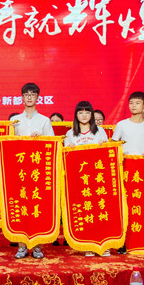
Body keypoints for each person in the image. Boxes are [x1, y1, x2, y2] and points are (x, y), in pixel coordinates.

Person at [11, 82, 54, 260]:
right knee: (22, 206)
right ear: (22, 97)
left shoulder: (44, 120)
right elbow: (9, 144)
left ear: (38, 97)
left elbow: (52, 145)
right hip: (20, 170)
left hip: (38, 170)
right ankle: (21, 246)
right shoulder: (15, 121)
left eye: (32, 94)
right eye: (26, 94)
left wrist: (40, 138)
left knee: (38, 206)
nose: (29, 97)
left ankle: (37, 246)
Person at [64, 100, 110, 256]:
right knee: (85, 212)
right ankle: (88, 244)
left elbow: (108, 154)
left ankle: (103, 244)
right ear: (76, 115)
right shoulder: (70, 134)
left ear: (91, 114)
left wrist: (104, 146)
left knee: (100, 211)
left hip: (97, 178)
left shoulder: (100, 131)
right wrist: (68, 150)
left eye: (87, 112)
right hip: (80, 179)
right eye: (80, 112)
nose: (84, 115)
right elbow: (65, 157)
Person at [111, 91, 144, 157]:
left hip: (143, 160)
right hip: (125, 160)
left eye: (137, 103)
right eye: (131, 103)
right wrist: (119, 154)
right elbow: (113, 144)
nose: (134, 105)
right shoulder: (121, 124)